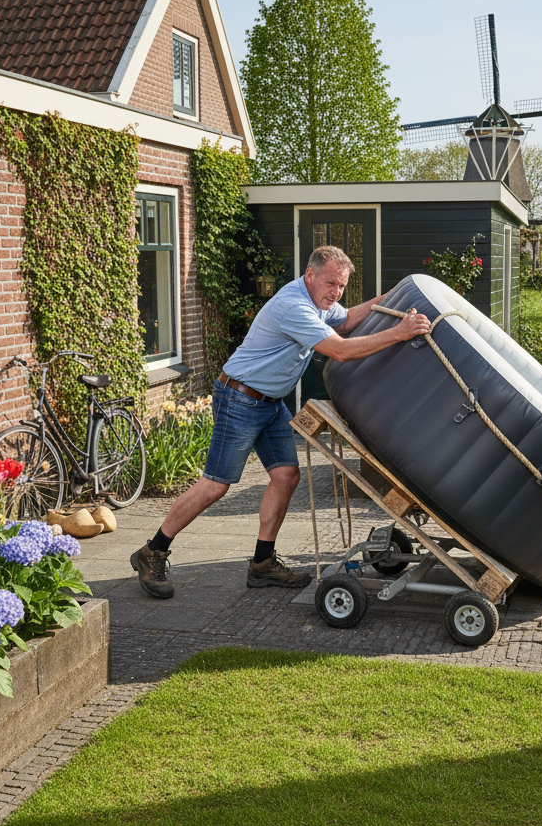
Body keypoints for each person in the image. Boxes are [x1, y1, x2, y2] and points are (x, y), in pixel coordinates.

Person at [130, 245, 431, 598]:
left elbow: (347, 319)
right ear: (310, 275)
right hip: (240, 397)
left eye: (341, 286)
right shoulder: (295, 306)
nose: (335, 292)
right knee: (216, 485)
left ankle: (261, 564)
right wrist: (400, 332)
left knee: (287, 476)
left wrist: (389, 298)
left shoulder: (318, 303)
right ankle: (153, 551)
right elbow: (341, 350)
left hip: (270, 403)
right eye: (331, 283)